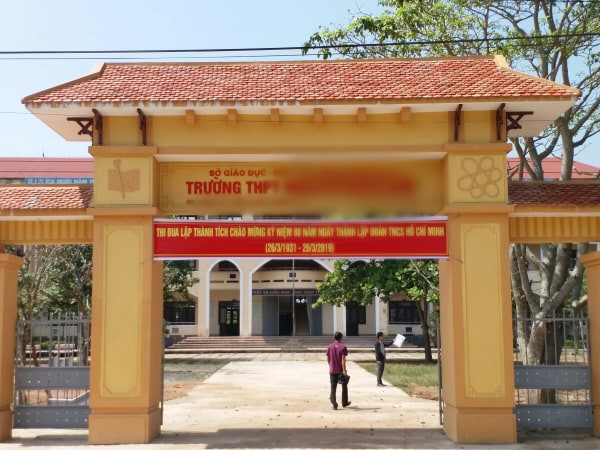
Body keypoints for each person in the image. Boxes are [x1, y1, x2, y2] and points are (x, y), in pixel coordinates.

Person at [326, 331, 351, 410]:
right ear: (341, 337)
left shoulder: (330, 346)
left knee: (333, 388)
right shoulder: (343, 347)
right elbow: (343, 359)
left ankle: (334, 404)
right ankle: (344, 402)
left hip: (332, 371)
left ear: (334, 337)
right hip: (340, 371)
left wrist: (331, 366)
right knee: (344, 386)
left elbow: (328, 358)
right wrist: (344, 370)